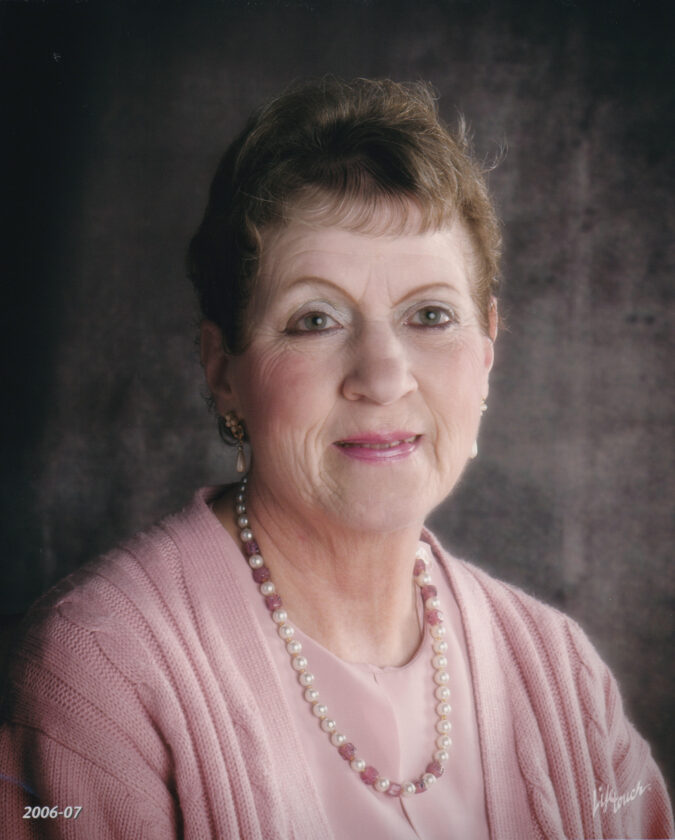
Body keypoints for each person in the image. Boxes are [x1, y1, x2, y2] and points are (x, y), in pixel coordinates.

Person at [0, 77, 672, 840]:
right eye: (314, 320)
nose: (382, 377)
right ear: (223, 370)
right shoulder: (100, 671)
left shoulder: (563, 675)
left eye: (430, 315)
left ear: (486, 354)